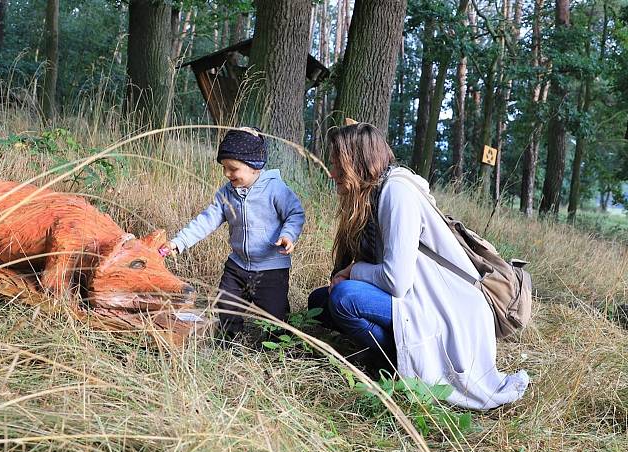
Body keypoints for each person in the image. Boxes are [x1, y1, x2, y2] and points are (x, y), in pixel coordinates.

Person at [308, 121, 529, 410]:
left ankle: (395, 366)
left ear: (359, 163)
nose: (333, 173)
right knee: (320, 301)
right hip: (417, 301)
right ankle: (398, 352)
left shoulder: (397, 193)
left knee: (344, 298)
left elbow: (395, 280)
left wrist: (352, 272)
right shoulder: (371, 195)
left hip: (447, 311)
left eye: (339, 165)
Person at [160, 127, 306, 337]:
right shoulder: (227, 193)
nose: (227, 174)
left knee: (274, 314)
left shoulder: (275, 189)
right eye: (224, 168)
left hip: (270, 268)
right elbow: (206, 220)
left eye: (233, 168)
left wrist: (288, 235)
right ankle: (231, 340)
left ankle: (278, 346)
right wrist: (179, 242)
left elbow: (295, 213)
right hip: (237, 265)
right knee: (225, 304)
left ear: (255, 166)